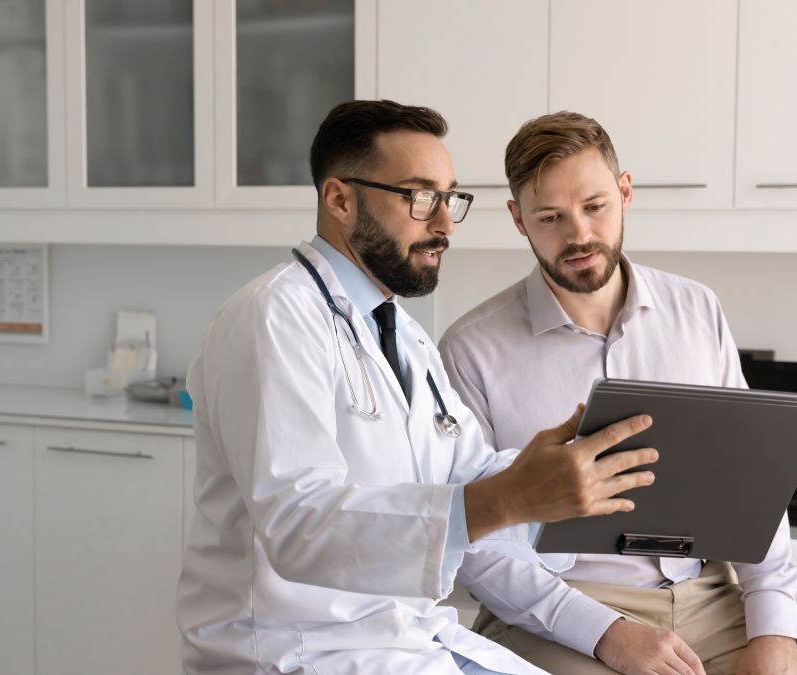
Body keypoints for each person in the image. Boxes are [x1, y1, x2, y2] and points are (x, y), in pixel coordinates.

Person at [176, 100, 660, 674]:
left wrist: (562, 472)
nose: (444, 224)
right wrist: (510, 496)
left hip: (404, 641)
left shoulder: (403, 335)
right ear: (339, 198)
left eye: (450, 198)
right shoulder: (274, 317)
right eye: (420, 197)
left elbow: (467, 473)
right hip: (298, 652)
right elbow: (299, 525)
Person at [439, 111, 797, 675]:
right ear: (518, 220)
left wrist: (775, 626)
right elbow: (477, 543)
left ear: (625, 191)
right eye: (550, 217)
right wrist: (607, 633)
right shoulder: (470, 349)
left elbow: (751, 483)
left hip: (710, 595)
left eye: (595, 206)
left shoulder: (697, 309)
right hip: (558, 611)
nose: (578, 234)